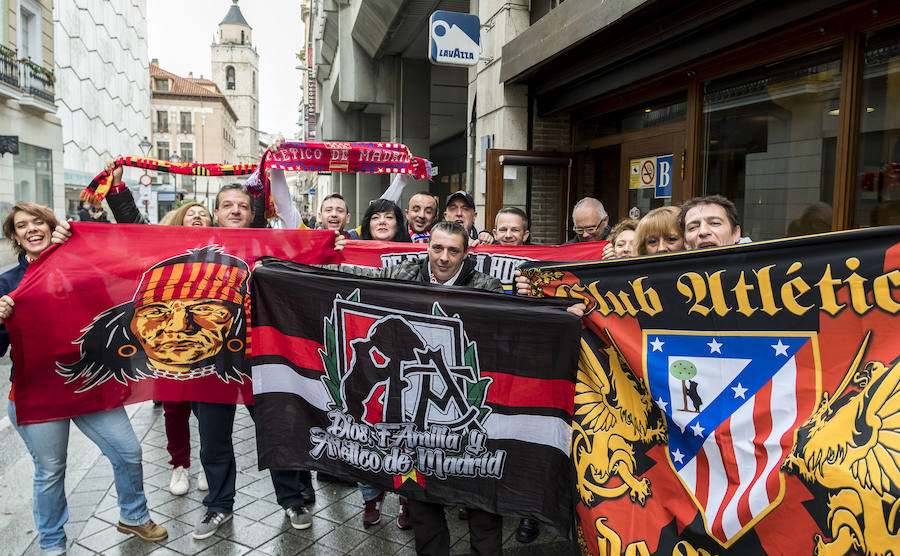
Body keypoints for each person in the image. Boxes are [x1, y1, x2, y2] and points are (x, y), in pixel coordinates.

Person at [0, 203, 167, 555]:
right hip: (37, 392)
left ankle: (133, 516)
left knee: (128, 451)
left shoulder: (80, 267)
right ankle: (52, 545)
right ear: (14, 236)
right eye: (21, 226)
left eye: (38, 222)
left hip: (87, 383)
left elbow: (110, 304)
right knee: (50, 471)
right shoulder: (6, 284)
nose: (31, 229)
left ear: (51, 227)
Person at [330, 220, 503, 553]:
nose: (443, 257)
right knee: (423, 501)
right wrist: (289, 267)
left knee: (483, 505)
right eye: (437, 248)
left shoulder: (487, 286)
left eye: (453, 250)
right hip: (414, 411)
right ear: (427, 247)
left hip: (463, 409)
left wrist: (562, 309)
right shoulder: (402, 274)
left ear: (467, 253)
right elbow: (352, 280)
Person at [100, 163, 211, 497]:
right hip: (167, 342)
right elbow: (133, 223)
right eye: (192, 213)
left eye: (204, 214)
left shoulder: (224, 249)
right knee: (175, 408)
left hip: (208, 343)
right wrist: (117, 188)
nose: (198, 217)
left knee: (211, 407)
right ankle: (180, 464)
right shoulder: (162, 246)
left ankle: (209, 462)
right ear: (180, 220)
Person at [353, 197, 412, 529]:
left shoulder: (417, 254)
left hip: (403, 349)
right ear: (366, 223)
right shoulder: (347, 247)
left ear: (398, 223)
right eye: (375, 216)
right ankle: (370, 498)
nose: (382, 221)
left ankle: (407, 500)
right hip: (362, 345)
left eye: (389, 216)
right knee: (366, 428)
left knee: (404, 431)